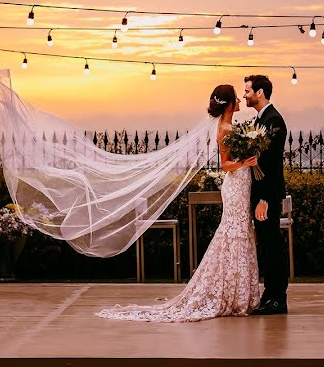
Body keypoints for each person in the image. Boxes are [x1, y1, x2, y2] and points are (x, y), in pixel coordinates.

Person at [96, 84, 261, 322]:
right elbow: (225, 164)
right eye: (235, 97)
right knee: (233, 234)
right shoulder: (224, 129)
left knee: (241, 233)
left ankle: (238, 293)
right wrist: (244, 163)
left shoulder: (234, 127)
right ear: (227, 103)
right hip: (235, 185)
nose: (239, 99)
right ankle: (230, 294)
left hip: (243, 184)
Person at [243, 74, 289, 315]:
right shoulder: (260, 120)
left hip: (267, 197)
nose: (245, 95)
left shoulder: (275, 120)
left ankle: (278, 299)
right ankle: (269, 294)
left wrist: (264, 200)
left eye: (248, 91)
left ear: (260, 92)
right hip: (260, 195)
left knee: (273, 246)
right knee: (267, 245)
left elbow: (272, 165)